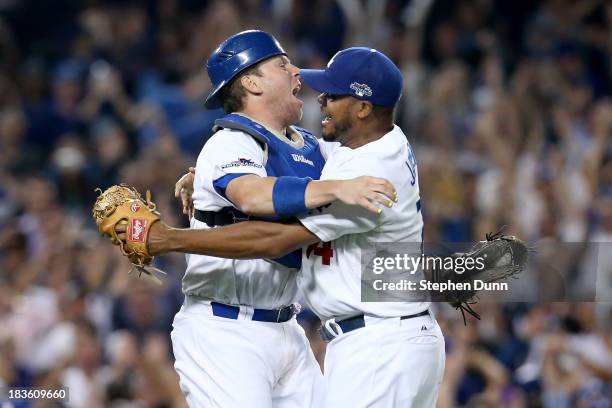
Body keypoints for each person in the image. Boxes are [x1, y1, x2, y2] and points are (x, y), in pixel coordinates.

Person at [130, 47, 445, 407]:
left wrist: (168, 239)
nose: (319, 97)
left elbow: (275, 238)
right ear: (250, 82)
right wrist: (205, 177)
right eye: (283, 66)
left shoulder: (365, 174)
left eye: (334, 94)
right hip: (236, 329)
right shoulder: (368, 144)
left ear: (362, 108)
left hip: (378, 344)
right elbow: (267, 181)